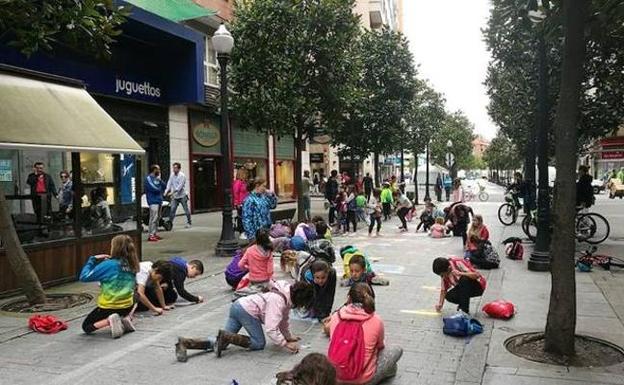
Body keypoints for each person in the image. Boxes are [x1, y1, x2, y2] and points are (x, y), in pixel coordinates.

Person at [174, 281, 314, 362]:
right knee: (259, 343)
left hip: (238, 306)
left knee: (222, 343)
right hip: (247, 311)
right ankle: (226, 336)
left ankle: (185, 343)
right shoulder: (278, 300)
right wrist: (285, 344)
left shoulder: (285, 293)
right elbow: (271, 328)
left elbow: (283, 320)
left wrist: (288, 336)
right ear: (299, 298)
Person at [325, 283, 403, 385]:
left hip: (335, 377)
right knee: (396, 350)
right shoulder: (376, 320)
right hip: (363, 380)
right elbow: (380, 346)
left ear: (349, 298)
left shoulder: (336, 316)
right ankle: (389, 372)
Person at [79, 234, 140, 338]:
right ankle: (125, 318)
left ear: (114, 248)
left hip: (109, 306)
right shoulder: (133, 264)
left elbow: (84, 277)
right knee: (137, 295)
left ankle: (109, 320)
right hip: (127, 306)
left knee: (86, 327)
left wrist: (92, 260)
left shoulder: (109, 265)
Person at [237, 228, 275, 295]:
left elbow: (240, 265)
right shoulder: (268, 251)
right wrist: (271, 279)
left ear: (256, 238)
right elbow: (270, 270)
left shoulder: (249, 250)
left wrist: (248, 267)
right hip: (265, 280)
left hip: (253, 280)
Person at [165, 162, 191, 229]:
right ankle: (170, 223)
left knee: (186, 209)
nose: (174, 169)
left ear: (179, 169)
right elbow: (169, 183)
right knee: (172, 209)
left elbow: (179, 187)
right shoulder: (172, 175)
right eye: (173, 167)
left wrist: (172, 193)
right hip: (175, 196)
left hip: (182, 195)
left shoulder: (182, 176)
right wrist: (166, 191)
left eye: (175, 168)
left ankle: (189, 222)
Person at [145, 165, 165, 242]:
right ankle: (151, 235)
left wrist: (160, 180)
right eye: (158, 169)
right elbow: (153, 189)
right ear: (154, 170)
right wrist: (159, 188)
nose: (159, 170)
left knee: (157, 218)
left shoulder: (158, 178)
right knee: (153, 218)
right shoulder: (148, 178)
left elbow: (164, 186)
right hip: (152, 201)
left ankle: (155, 233)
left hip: (159, 200)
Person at [232, 168, 250, 237]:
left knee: (245, 217)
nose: (247, 175)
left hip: (246, 202)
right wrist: (237, 203)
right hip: (241, 203)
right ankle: (241, 231)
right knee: (241, 217)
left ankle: (245, 230)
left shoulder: (244, 182)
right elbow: (235, 193)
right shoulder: (238, 182)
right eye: (245, 174)